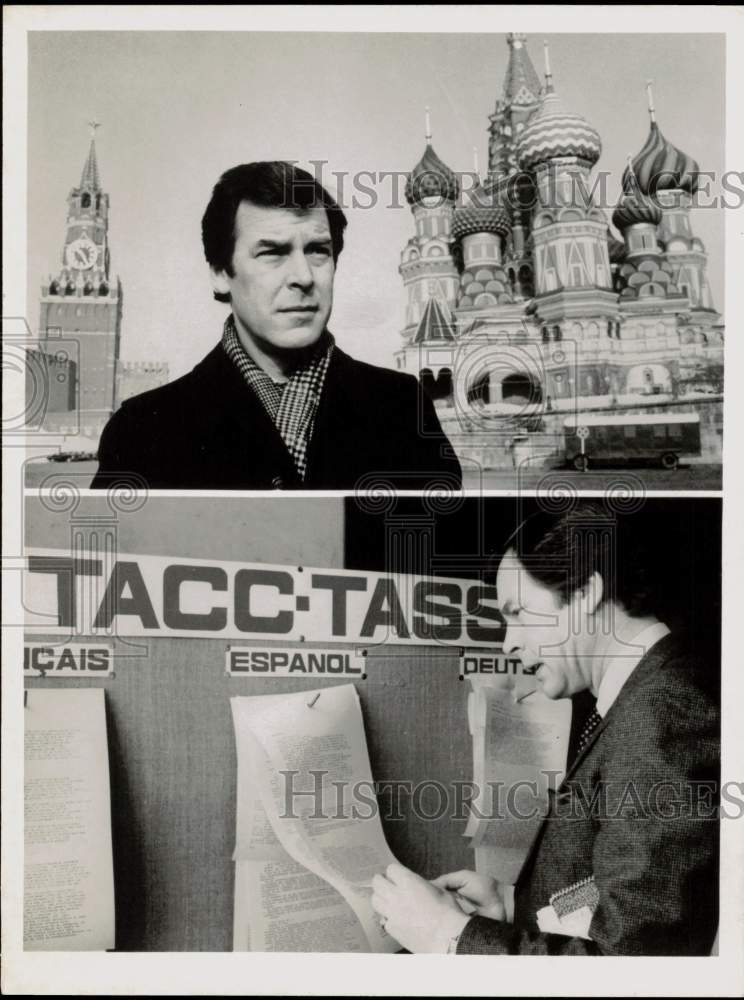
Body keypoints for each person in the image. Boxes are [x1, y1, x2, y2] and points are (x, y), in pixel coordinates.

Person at [371, 504, 719, 955]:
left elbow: (631, 963)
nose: (508, 643)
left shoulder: (664, 710)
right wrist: (514, 904)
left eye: (518, 613)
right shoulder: (642, 697)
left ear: (586, 593)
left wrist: (450, 935)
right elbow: (617, 886)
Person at [91, 161, 461, 490]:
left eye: (318, 251)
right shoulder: (144, 431)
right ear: (220, 273)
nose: (303, 276)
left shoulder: (401, 411)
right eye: (272, 253)